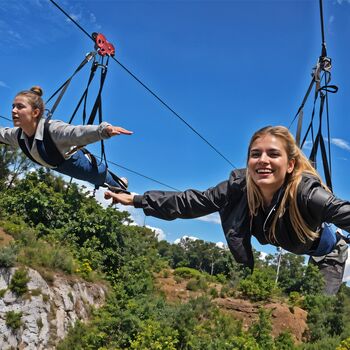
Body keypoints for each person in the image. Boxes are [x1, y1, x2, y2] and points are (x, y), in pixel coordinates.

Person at [104, 125, 349, 295]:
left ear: (290, 165)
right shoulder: (238, 188)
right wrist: (137, 200)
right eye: (256, 154)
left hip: (329, 255)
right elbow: (190, 202)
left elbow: (343, 212)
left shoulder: (307, 194)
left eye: (273, 154)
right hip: (295, 244)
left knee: (319, 311)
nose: (263, 160)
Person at [0, 86, 133, 191]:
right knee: (99, 178)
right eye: (13, 106)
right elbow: (2, 134)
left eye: (20, 107)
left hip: (75, 163)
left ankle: (120, 184)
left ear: (35, 112)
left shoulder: (52, 130)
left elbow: (77, 132)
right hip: (58, 165)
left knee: (100, 176)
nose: (13, 111)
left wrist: (104, 130)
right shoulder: (17, 135)